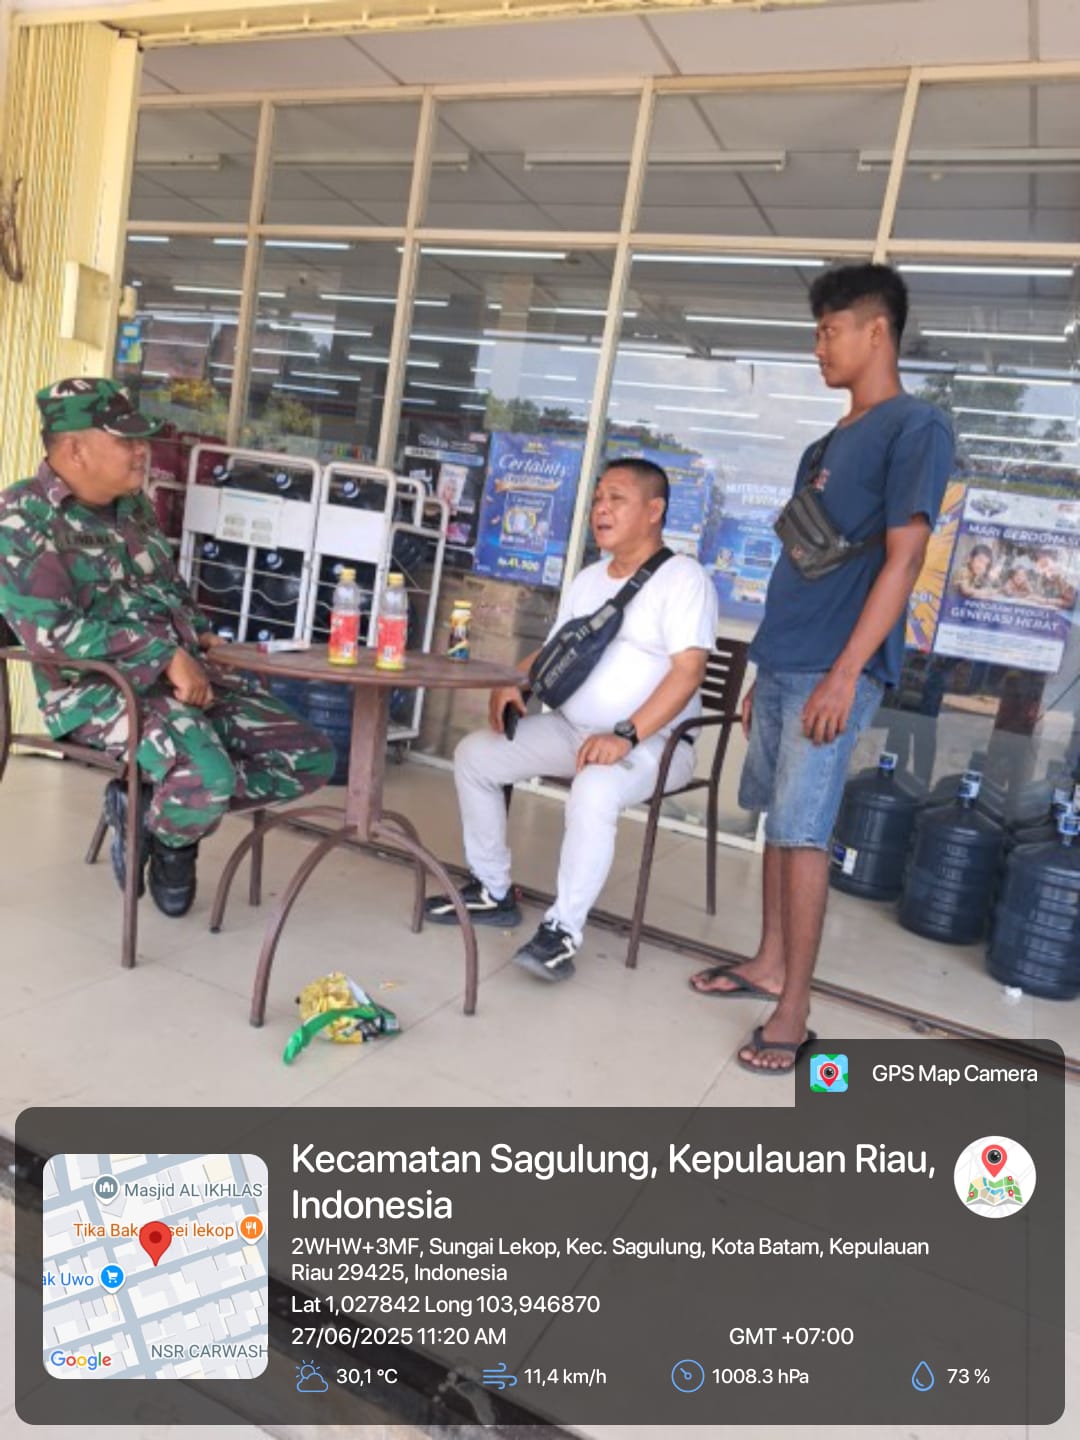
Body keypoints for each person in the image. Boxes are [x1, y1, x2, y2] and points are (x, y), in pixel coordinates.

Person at [690, 264, 954, 1074]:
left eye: (829, 330)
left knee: (805, 834)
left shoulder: (916, 427)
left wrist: (846, 672)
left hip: (834, 667)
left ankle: (794, 1009)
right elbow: (803, 564)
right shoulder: (824, 444)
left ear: (877, 331)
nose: (818, 347)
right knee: (779, 820)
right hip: (785, 659)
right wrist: (761, 669)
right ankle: (769, 962)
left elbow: (904, 561)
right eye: (816, 332)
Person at [0, 377, 336, 916]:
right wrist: (161, 655)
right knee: (208, 776)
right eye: (126, 441)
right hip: (97, 690)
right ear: (74, 450)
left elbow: (167, 587)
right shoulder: (20, 517)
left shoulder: (134, 507)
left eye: (142, 439)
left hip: (185, 676)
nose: (142, 451)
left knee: (311, 755)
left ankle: (162, 817)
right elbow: (51, 635)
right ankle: (179, 833)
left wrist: (199, 632)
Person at [425, 457, 718, 982]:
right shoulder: (587, 580)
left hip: (656, 744)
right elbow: (554, 650)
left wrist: (626, 735)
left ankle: (562, 930)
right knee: (475, 756)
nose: (601, 509)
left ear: (654, 511)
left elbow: (688, 672)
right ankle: (492, 890)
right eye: (598, 498)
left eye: (617, 499)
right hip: (572, 731)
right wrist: (516, 680)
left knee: (595, 787)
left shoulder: (683, 579)